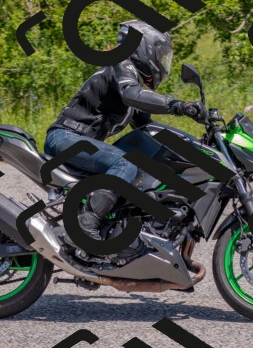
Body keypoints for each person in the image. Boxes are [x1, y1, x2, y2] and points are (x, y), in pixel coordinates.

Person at [44, 20, 207, 241]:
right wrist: (178, 105)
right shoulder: (120, 65)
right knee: (125, 164)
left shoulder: (127, 81)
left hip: (76, 141)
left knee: (142, 155)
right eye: (160, 54)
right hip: (64, 137)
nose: (162, 62)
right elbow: (133, 95)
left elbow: (148, 129)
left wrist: (194, 144)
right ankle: (85, 224)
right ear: (143, 47)